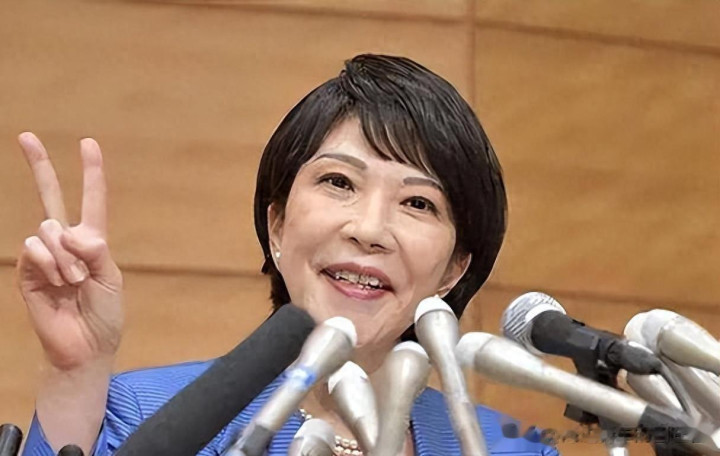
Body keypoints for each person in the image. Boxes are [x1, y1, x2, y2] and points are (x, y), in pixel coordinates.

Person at [18, 54, 557, 455]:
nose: (370, 230)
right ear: (276, 225)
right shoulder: (149, 416)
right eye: (339, 182)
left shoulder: (510, 449)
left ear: (455, 268)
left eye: (418, 203)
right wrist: (75, 372)